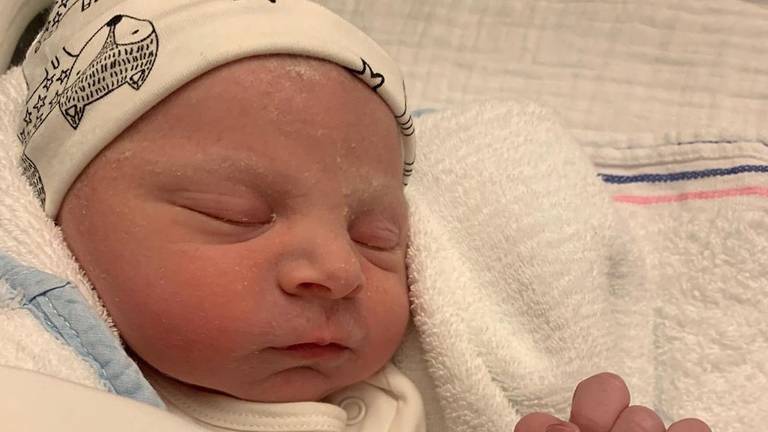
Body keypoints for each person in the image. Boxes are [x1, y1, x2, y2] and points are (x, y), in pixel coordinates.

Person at [2, 0, 711, 431]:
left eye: (377, 238)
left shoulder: (414, 400)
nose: (341, 271)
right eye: (237, 215)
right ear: (55, 221)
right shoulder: (42, 386)